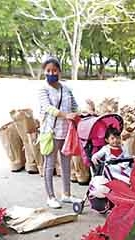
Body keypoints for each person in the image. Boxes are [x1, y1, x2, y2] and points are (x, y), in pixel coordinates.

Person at [37, 57, 81, 209]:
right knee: (49, 165)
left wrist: (81, 113)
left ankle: (67, 194)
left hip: (66, 132)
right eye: (48, 71)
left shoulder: (66, 89)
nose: (51, 73)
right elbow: (48, 107)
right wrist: (65, 115)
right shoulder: (43, 89)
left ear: (60, 72)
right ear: (44, 72)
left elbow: (75, 106)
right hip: (50, 132)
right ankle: (50, 196)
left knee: (66, 164)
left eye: (54, 70)